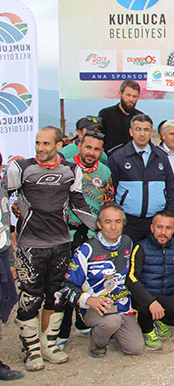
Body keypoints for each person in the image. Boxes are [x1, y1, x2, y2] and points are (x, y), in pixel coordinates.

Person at [2, 127, 97, 371]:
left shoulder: (71, 170)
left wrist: (100, 228)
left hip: (60, 244)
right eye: (37, 143)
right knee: (30, 298)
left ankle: (49, 345)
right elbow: (3, 196)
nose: (40, 148)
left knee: (56, 296)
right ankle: (31, 349)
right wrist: (6, 228)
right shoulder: (21, 168)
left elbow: (79, 204)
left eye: (46, 143)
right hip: (30, 246)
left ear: (59, 145)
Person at [64, 203, 144, 358]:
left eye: (118, 222)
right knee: (111, 322)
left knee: (135, 348)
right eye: (108, 222)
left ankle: (110, 331)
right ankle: (97, 342)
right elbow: (66, 286)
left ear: (123, 224)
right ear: (99, 225)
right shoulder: (86, 250)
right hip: (95, 308)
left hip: (122, 306)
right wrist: (89, 300)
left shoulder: (127, 242)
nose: (113, 227)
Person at [59, 129, 114, 347]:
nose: (91, 152)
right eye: (88, 147)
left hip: (92, 235)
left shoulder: (104, 172)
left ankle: (82, 322)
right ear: (79, 145)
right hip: (66, 233)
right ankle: (61, 331)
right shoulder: (65, 169)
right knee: (65, 280)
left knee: (88, 279)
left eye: (96, 149)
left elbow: (108, 203)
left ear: (102, 151)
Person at [126, 211, 174, 350]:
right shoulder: (140, 248)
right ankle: (147, 330)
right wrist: (150, 301)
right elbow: (131, 279)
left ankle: (159, 319)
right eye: (159, 227)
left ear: (173, 230)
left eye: (168, 228)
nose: (163, 232)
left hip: (167, 297)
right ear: (152, 228)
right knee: (143, 304)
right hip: (146, 299)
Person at [108, 114, 174, 243]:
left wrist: (170, 216)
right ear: (131, 131)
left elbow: (171, 189)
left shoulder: (161, 157)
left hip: (156, 221)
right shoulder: (118, 157)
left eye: (146, 130)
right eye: (138, 129)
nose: (142, 134)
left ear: (151, 132)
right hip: (128, 221)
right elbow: (110, 191)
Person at [0, 152, 23, 380]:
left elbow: (5, 226)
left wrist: (9, 262)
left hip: (2, 254)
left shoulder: (2, 191)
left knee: (3, 302)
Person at [98, 80, 143, 154]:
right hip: (110, 157)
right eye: (128, 95)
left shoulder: (140, 117)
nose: (131, 99)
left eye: (134, 96)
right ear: (120, 93)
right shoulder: (106, 114)